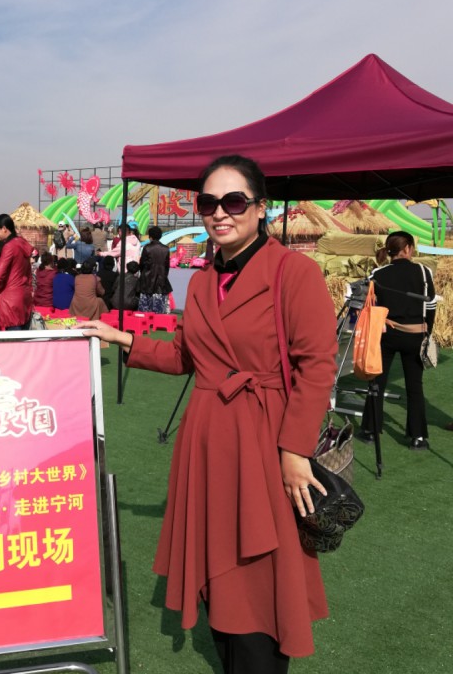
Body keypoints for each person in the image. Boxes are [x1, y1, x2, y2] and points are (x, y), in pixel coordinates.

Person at [79, 154, 338, 673]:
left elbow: (317, 367)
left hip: (265, 440)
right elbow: (185, 356)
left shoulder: (294, 272)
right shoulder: (200, 282)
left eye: (234, 201)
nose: (220, 212)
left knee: (262, 573)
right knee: (219, 570)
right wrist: (121, 337)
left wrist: (294, 452)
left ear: (261, 208)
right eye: (209, 202)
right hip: (206, 441)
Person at [359, 231, 437, 451]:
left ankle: (370, 430)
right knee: (414, 386)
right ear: (408, 249)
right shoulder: (423, 271)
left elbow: (370, 305)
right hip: (416, 334)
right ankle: (418, 437)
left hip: (387, 334)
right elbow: (431, 306)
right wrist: (427, 333)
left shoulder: (377, 273)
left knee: (377, 381)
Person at [0, 214, 33, 330]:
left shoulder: (9, 247)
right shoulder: (22, 244)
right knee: (23, 335)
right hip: (23, 295)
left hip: (10, 299)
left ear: (4, 228)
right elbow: (28, 273)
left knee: (14, 335)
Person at [138, 225, 173, 313]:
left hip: (147, 280)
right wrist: (163, 276)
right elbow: (167, 266)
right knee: (159, 307)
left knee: (146, 307)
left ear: (150, 236)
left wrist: (143, 274)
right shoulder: (166, 249)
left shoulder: (147, 248)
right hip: (161, 280)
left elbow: (142, 264)